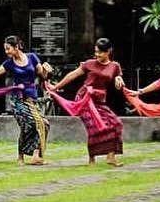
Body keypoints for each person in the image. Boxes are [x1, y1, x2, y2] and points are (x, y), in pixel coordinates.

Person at [0, 36, 52, 165]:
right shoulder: (9, 63)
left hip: (31, 99)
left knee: (43, 124)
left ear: (16, 47)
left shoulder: (32, 58)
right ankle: (21, 156)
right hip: (18, 100)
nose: (6, 52)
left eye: (8, 48)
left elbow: (43, 76)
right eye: (5, 49)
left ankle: (36, 155)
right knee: (28, 125)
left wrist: (47, 71)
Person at [49, 37, 126, 166]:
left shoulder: (114, 66)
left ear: (108, 52)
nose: (97, 55)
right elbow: (72, 75)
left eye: (100, 52)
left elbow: (118, 78)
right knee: (94, 127)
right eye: (96, 52)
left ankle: (111, 157)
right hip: (84, 99)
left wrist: (119, 81)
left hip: (99, 100)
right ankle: (92, 159)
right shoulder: (89, 63)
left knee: (116, 123)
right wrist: (56, 87)